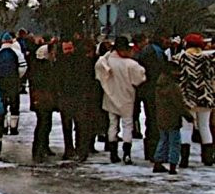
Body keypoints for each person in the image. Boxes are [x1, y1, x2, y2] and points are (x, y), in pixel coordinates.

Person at [95, 36, 147, 164]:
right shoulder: (130, 64)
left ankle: (113, 153)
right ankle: (126, 154)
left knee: (113, 125)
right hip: (126, 98)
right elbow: (140, 78)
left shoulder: (105, 61)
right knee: (127, 125)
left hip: (110, 96)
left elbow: (99, 73)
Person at [170, 32, 215, 167]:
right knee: (204, 126)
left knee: (186, 128)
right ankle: (207, 158)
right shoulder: (208, 59)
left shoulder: (179, 58)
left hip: (187, 97)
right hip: (205, 97)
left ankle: (184, 159)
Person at [55, 39, 97, 161]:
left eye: (69, 48)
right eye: (66, 49)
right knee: (67, 126)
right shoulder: (60, 64)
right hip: (66, 98)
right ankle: (69, 149)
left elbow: (87, 79)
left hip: (78, 97)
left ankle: (80, 149)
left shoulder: (81, 62)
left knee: (80, 125)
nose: (68, 52)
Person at [0, 33, 28, 135]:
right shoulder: (17, 53)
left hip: (0, 81)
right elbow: (23, 66)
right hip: (13, 81)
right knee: (14, 105)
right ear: (11, 41)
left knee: (3, 104)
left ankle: (3, 127)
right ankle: (13, 128)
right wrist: (17, 76)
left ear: (2, 42)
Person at [153, 65, 192, 174]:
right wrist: (187, 115)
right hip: (173, 118)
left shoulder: (159, 85)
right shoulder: (173, 87)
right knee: (175, 142)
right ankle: (173, 165)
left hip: (161, 117)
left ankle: (158, 161)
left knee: (163, 140)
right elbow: (179, 104)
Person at [135, 33, 167, 160]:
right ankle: (155, 151)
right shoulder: (155, 52)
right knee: (155, 120)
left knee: (151, 119)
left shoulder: (146, 51)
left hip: (147, 90)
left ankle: (151, 150)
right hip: (154, 90)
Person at [28, 43, 58, 161]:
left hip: (43, 99)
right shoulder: (42, 67)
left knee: (46, 123)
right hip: (42, 99)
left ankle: (43, 147)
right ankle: (38, 149)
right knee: (43, 124)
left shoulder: (41, 65)